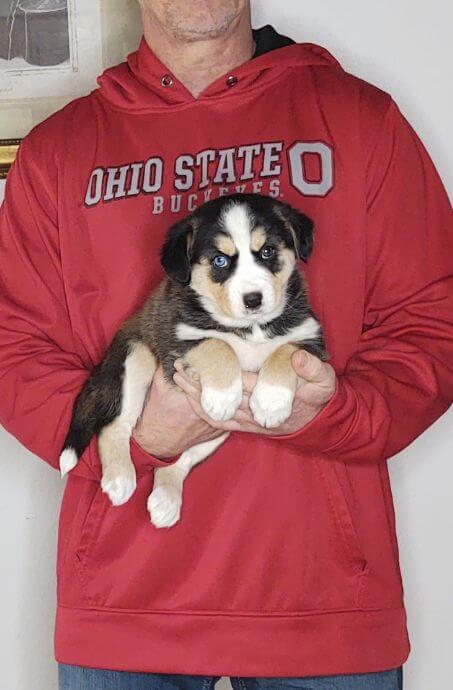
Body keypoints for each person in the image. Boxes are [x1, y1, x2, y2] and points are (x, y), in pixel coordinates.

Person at [0, 1, 451, 689]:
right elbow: (12, 350)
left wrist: (336, 415)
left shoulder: (360, 121)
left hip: (322, 610)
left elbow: (433, 321)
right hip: (126, 610)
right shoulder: (60, 150)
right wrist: (135, 430)